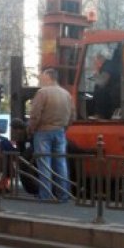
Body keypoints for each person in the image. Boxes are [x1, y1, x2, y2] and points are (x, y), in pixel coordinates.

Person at [27, 68, 75, 202]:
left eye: (42, 76)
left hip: (43, 131)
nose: (41, 79)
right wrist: (64, 127)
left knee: (44, 163)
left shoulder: (42, 93)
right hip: (60, 131)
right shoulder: (66, 94)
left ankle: (46, 195)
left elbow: (35, 114)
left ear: (48, 77)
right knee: (61, 163)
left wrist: (31, 128)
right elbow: (72, 115)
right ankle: (63, 195)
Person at [91, 48, 121, 119]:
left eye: (95, 62)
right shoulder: (108, 65)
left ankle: (99, 114)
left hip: (113, 95)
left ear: (99, 59)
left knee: (98, 89)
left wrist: (96, 71)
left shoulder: (108, 66)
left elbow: (101, 83)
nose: (94, 64)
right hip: (112, 93)